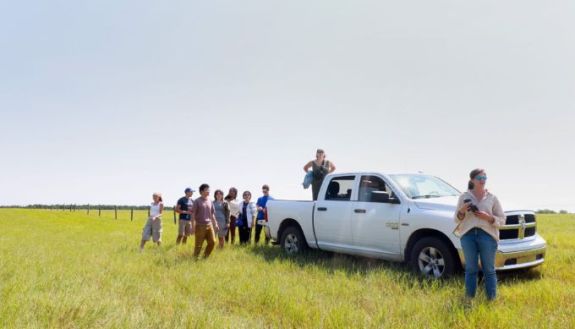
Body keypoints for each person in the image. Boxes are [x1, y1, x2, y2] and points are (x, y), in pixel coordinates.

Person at [454, 169, 506, 301]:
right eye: (479, 178)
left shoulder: (492, 198)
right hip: (468, 235)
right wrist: (462, 210)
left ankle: (491, 300)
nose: (482, 180)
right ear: (472, 180)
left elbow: (502, 220)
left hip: (487, 235)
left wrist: (488, 218)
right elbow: (456, 219)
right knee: (471, 269)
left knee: (489, 269)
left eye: (484, 178)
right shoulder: (463, 197)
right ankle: (469, 299)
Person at [190, 184, 219, 259]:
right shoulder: (197, 201)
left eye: (209, 189)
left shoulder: (210, 201)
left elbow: (212, 214)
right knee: (198, 245)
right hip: (200, 226)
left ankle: (204, 257)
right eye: (207, 189)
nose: (209, 191)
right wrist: (192, 227)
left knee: (212, 242)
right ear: (202, 191)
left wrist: (215, 224)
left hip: (209, 225)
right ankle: (195, 259)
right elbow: (193, 215)